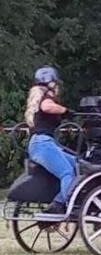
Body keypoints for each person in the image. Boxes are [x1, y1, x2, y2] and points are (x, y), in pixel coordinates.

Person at [25, 66, 77, 217]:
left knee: (77, 164)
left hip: (42, 144)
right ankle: (63, 204)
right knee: (67, 172)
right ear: (51, 83)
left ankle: (59, 202)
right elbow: (47, 107)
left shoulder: (37, 99)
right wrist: (65, 111)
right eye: (55, 83)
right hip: (43, 144)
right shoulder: (46, 99)